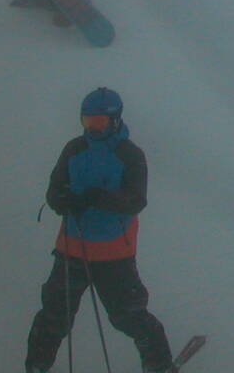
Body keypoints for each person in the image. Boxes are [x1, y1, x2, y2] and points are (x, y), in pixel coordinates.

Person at [24, 87, 175, 373]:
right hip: (71, 251)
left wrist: (97, 197)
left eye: (99, 122)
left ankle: (159, 365)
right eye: (87, 121)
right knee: (54, 317)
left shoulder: (130, 154)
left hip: (113, 255)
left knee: (128, 316)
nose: (93, 128)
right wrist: (63, 200)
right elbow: (54, 190)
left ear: (115, 120)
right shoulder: (74, 149)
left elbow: (136, 200)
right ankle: (36, 367)